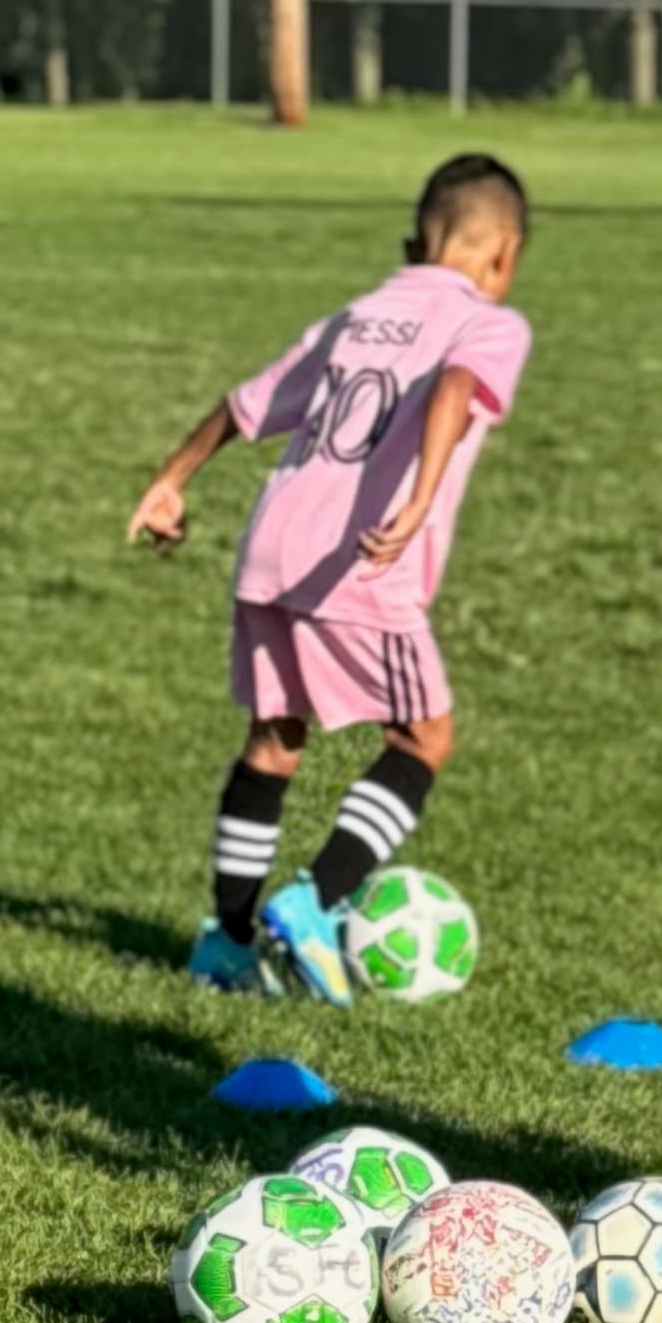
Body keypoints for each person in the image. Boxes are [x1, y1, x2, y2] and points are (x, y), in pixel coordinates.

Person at [128, 153, 535, 1004]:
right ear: (504, 255)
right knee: (423, 738)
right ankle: (315, 901)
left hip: (270, 551)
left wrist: (171, 478)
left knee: (275, 740)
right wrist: (419, 498)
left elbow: (246, 404)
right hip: (359, 566)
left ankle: (225, 945)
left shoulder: (356, 316)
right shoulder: (490, 323)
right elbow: (457, 382)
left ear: (414, 241)